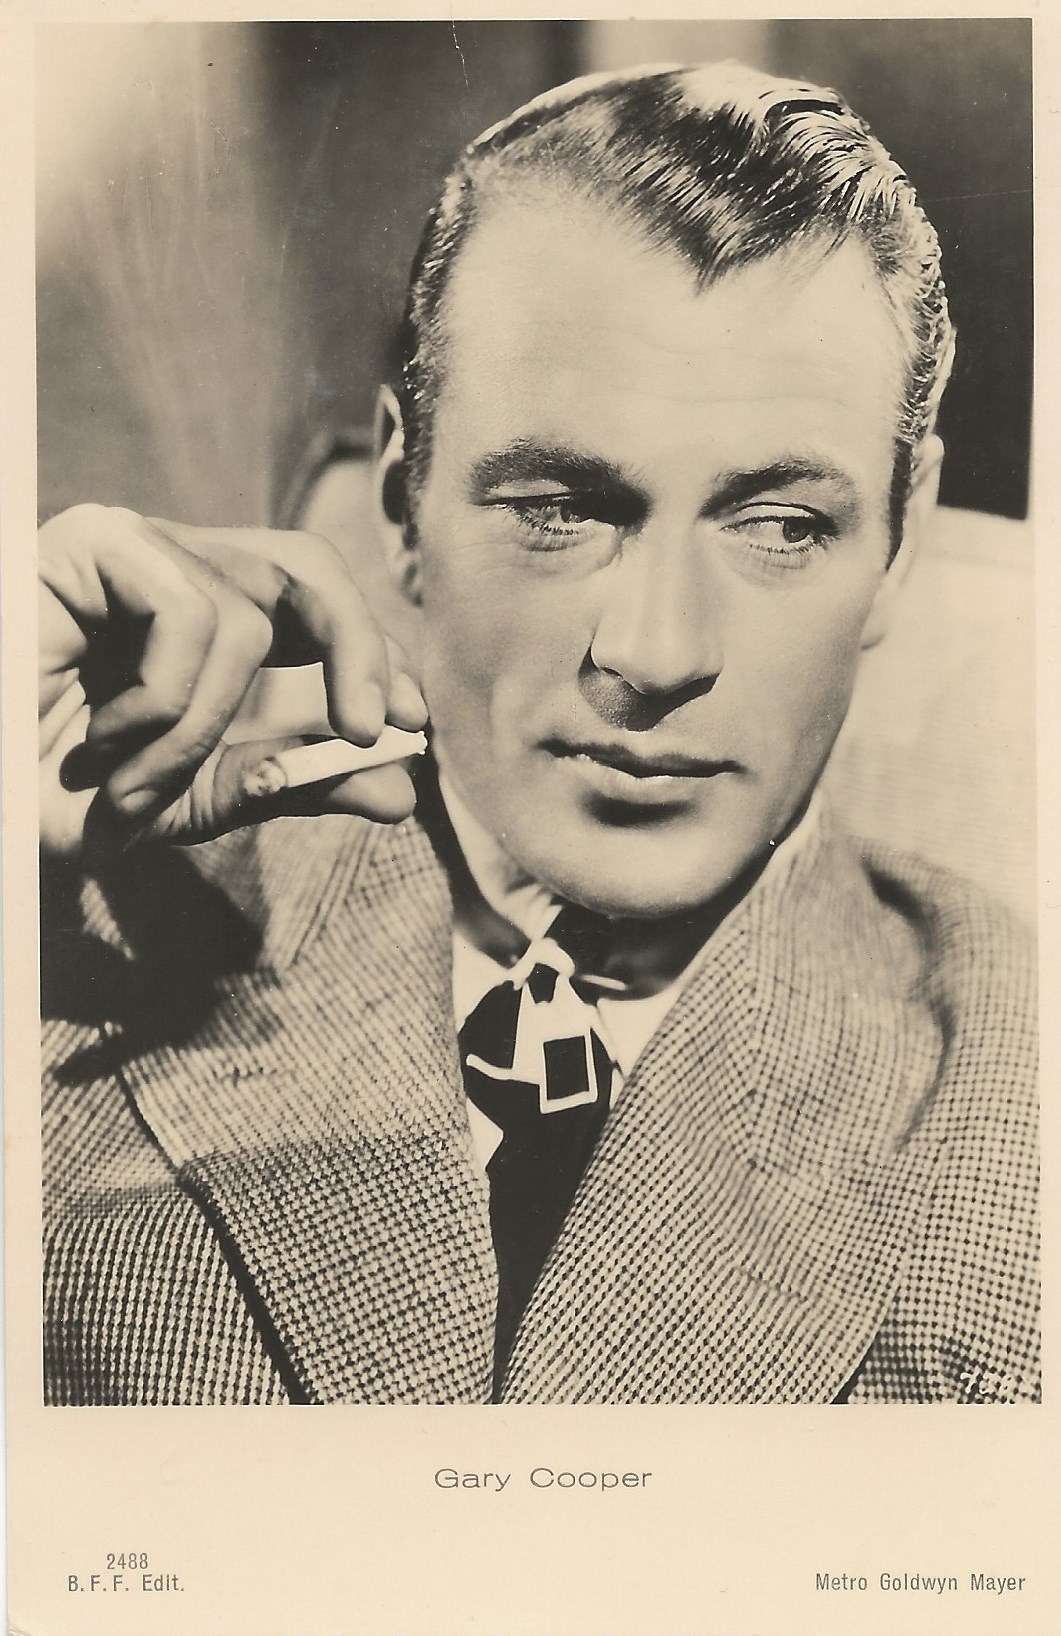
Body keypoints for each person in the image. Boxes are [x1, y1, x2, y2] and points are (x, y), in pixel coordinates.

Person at [39, 61, 1038, 1405]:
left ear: (900, 541)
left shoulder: (1016, 1085)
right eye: (559, 509)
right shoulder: (79, 932)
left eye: (782, 525)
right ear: (401, 498)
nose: (656, 653)